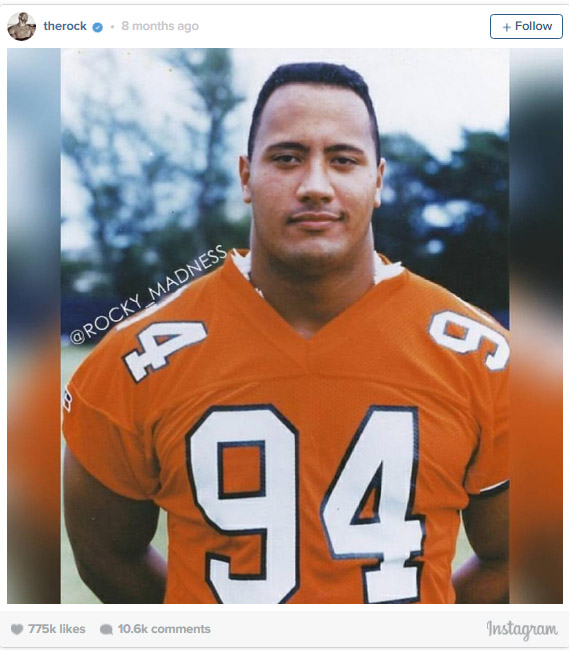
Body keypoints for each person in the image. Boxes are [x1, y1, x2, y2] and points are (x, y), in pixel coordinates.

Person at [63, 62, 509, 604]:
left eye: (343, 160)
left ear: (378, 181)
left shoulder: (484, 357)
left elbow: (516, 556)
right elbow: (107, 556)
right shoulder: (134, 358)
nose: (315, 186)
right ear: (246, 177)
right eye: (287, 158)